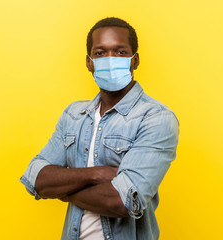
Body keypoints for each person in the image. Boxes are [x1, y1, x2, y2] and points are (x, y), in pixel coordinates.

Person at [20, 17, 180, 240]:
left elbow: (122, 201)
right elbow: (36, 178)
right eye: (100, 52)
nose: (110, 59)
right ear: (89, 62)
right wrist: (98, 174)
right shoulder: (74, 115)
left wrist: (63, 190)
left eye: (121, 52)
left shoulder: (155, 118)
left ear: (135, 60)